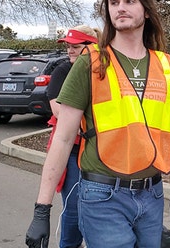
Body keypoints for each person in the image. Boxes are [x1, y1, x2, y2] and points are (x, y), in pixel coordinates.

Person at [26, 0, 170, 248]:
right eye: (114, 2)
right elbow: (62, 139)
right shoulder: (92, 63)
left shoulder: (166, 65)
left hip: (152, 195)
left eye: (130, 1)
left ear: (146, 9)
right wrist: (42, 208)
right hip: (102, 195)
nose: (120, 7)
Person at [46, 25, 100, 248]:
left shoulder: (104, 71)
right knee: (74, 205)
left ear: (92, 47)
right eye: (68, 46)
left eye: (75, 46)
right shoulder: (62, 71)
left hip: (101, 152)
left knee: (99, 207)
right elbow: (59, 111)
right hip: (73, 150)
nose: (69, 50)